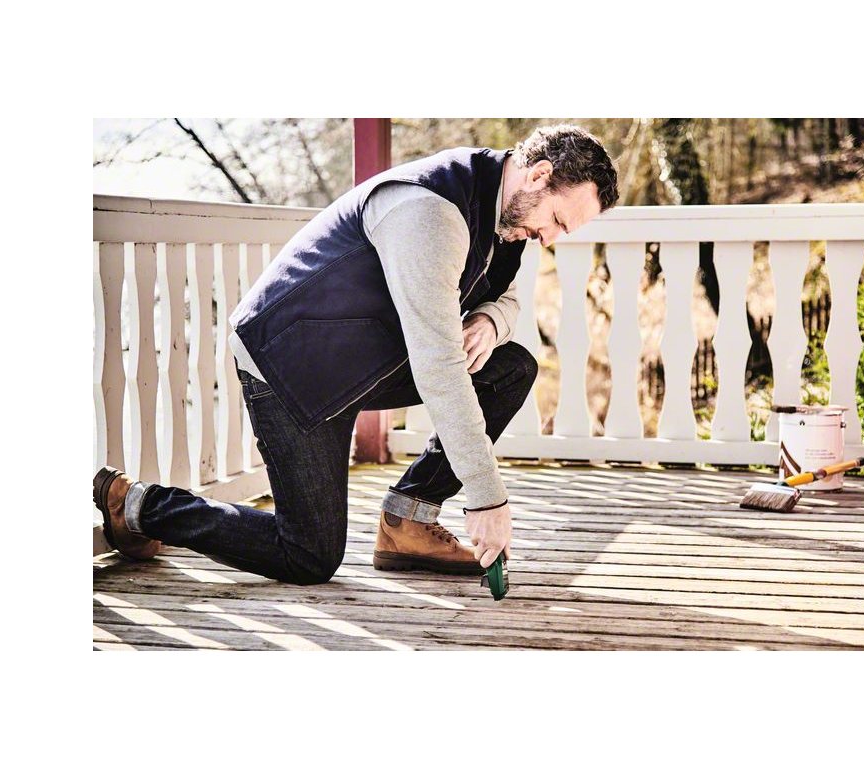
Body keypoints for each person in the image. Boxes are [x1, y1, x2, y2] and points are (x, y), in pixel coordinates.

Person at [93, 124, 620, 585]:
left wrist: (489, 320)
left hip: (362, 364)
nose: (549, 239)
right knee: (309, 555)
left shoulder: (507, 215)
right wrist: (487, 497)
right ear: (538, 175)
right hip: (293, 366)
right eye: (557, 220)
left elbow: (506, 297)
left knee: (510, 368)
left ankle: (409, 519)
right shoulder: (430, 211)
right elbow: (438, 364)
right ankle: (139, 505)